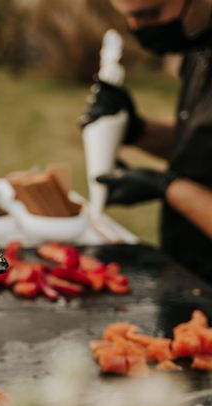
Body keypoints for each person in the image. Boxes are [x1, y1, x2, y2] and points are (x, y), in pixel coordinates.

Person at [80, 0, 212, 283]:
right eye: (129, 17)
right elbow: (202, 145)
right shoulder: (200, 46)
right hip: (187, 271)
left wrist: (167, 186)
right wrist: (136, 130)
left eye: (150, 14)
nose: (137, 28)